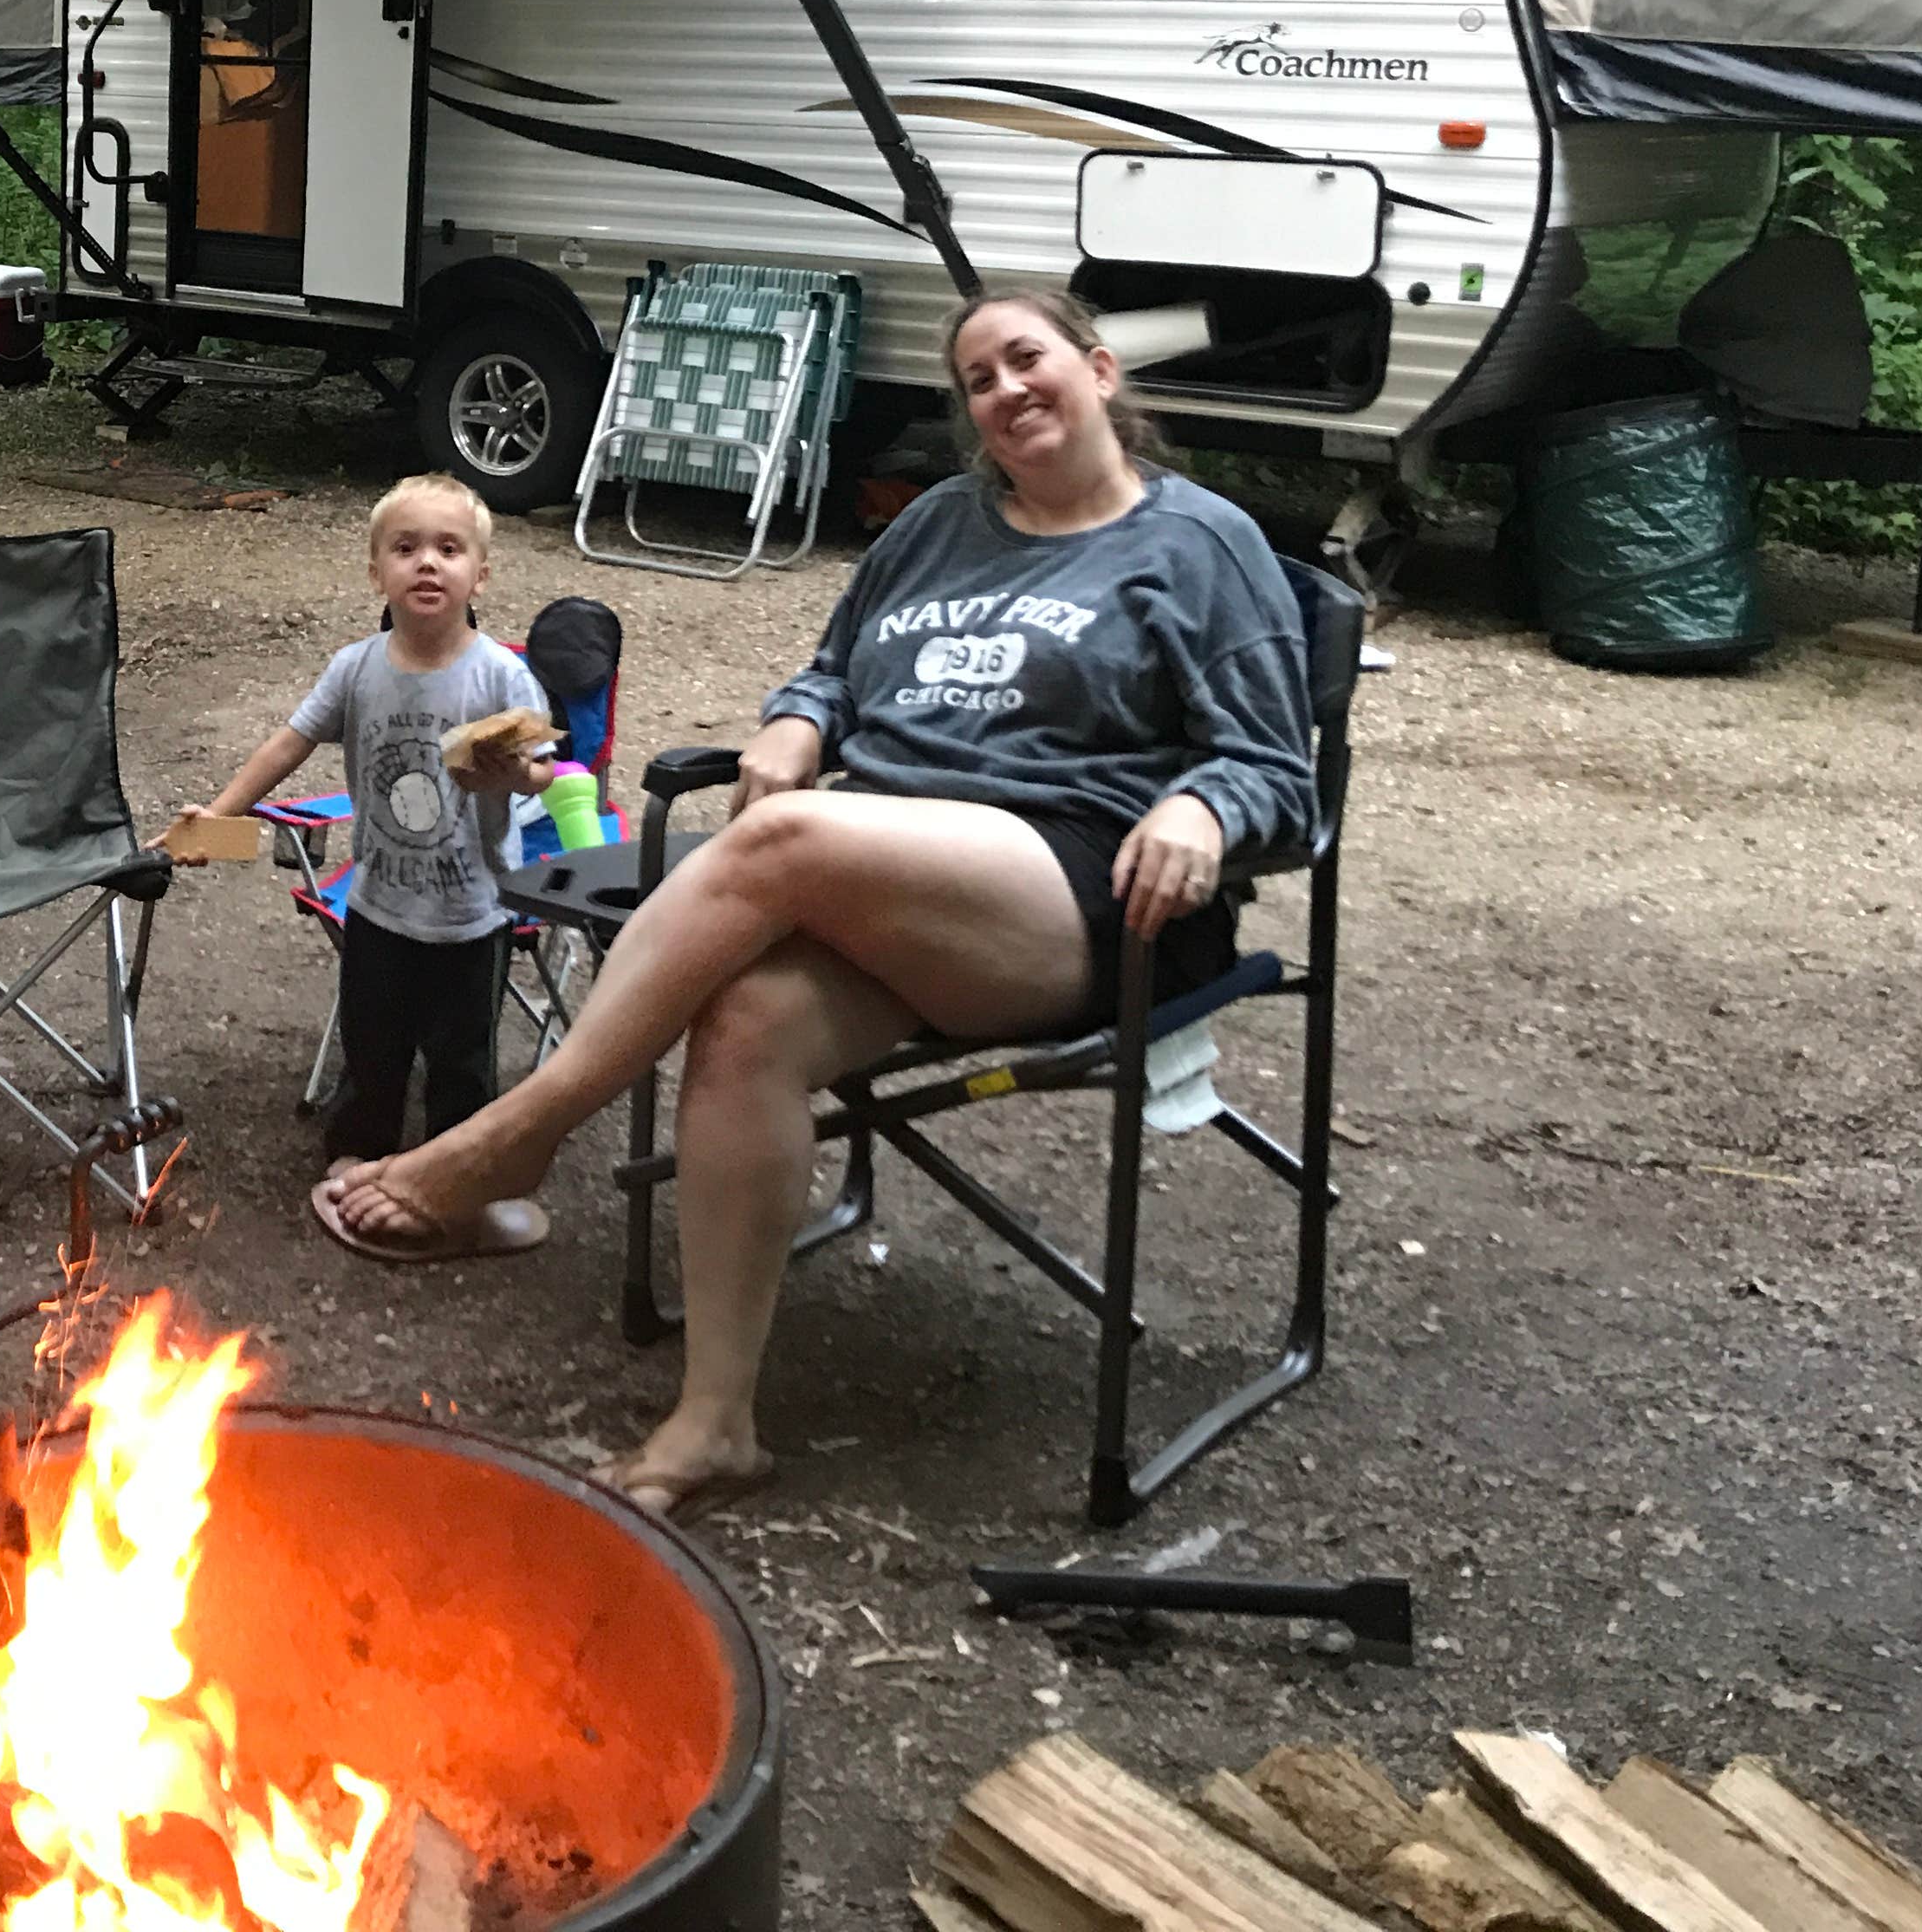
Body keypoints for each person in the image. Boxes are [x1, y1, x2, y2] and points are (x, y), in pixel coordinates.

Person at [315, 289, 1315, 1510]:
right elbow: (836, 671)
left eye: (1027, 358)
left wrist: (1204, 807)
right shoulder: (945, 523)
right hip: (890, 885)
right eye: (978, 378)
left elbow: (1278, 770)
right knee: (747, 1028)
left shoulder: (1199, 542)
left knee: (781, 838)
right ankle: (715, 1421)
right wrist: (798, 720)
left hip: (1083, 887)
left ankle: (516, 1134)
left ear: (1101, 372)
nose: (1004, 389)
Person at [176, 473, 557, 1255]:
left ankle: (457, 1179)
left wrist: (514, 775)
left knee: (463, 1059)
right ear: (375, 570)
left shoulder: (498, 676)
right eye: (406, 548)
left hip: (471, 913)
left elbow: (544, 769)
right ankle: (358, 1153)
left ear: (478, 574)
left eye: (449, 550)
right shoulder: (356, 668)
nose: (428, 564)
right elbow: (290, 743)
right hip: (378, 906)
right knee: (372, 1043)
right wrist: (219, 816)